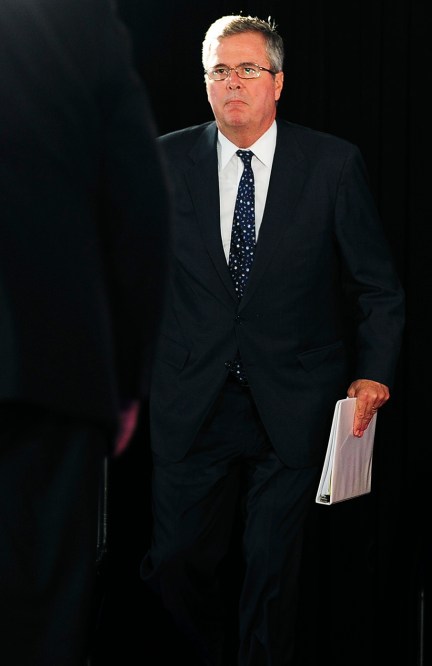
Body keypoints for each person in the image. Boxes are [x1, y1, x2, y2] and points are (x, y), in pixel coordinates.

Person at [139, 15, 405, 665]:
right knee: (172, 565)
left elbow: (377, 285)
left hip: (293, 402)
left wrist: (374, 372)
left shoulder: (333, 165)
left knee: (271, 574)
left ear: (278, 82)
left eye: (248, 70)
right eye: (220, 71)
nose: (234, 83)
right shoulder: (163, 161)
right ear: (205, 84)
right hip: (193, 397)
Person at [0, 0, 171, 663]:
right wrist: (129, 377)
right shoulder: (78, 25)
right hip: (51, 372)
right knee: (42, 623)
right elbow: (142, 212)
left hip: (53, 378)